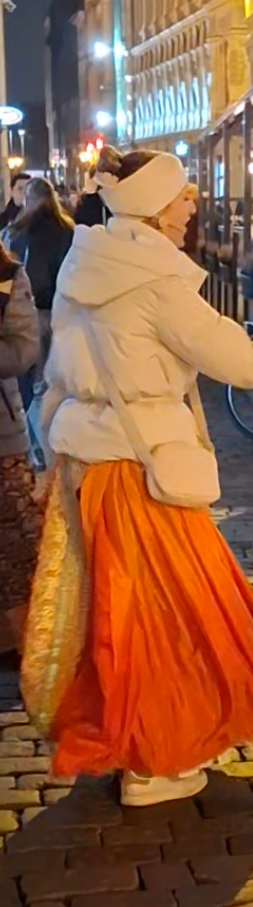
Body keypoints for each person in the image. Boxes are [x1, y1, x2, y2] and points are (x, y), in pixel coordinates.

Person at [23, 145, 253, 806]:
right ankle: (155, 760)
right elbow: (250, 362)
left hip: (84, 467)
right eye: (181, 199)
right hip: (142, 470)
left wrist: (46, 455)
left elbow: (57, 375)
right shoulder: (156, 283)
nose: (190, 209)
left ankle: (131, 747)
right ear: (149, 206)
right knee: (164, 620)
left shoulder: (84, 263)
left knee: (112, 619)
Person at [4, 177, 75, 469]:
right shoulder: (68, 232)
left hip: (25, 314)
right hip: (57, 313)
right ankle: (51, 449)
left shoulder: (14, 232)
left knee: (30, 388)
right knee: (52, 385)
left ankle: (37, 451)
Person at [0, 236, 40, 659]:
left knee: (15, 545)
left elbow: (24, 349)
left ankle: (21, 642)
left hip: (3, 436)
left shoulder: (7, 276)